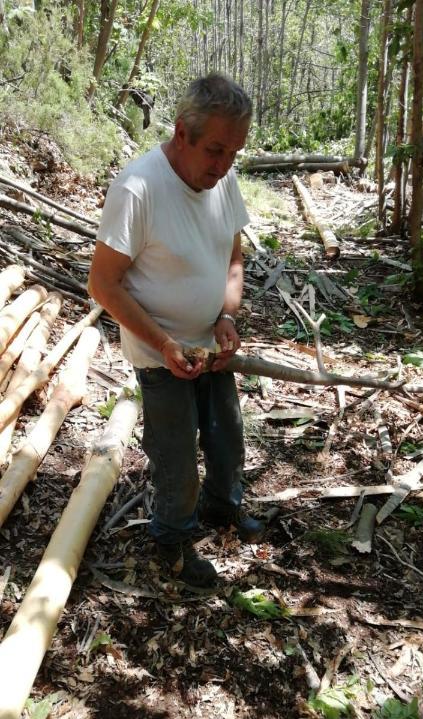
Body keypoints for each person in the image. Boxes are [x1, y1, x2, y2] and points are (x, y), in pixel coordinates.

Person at [88, 73, 265, 588]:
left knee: (228, 438)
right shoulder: (138, 187)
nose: (224, 165)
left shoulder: (222, 180)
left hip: (211, 348)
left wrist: (227, 316)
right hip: (159, 354)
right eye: (214, 150)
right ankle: (173, 540)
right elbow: (103, 283)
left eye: (234, 152)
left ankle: (221, 507)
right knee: (177, 457)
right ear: (181, 134)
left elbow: (233, 259)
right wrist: (164, 343)